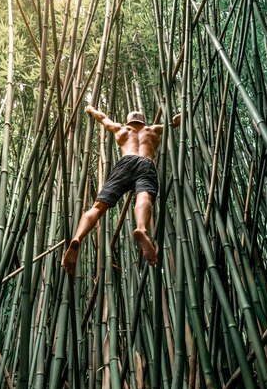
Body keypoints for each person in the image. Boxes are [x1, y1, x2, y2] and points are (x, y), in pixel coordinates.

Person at [62, 105, 180, 273]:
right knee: (144, 196)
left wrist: (90, 109)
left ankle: (77, 238)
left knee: (98, 207)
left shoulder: (121, 129)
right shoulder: (153, 129)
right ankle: (141, 228)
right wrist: (184, 113)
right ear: (142, 121)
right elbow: (175, 122)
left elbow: (102, 118)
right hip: (146, 163)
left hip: (125, 163)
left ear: (128, 120)